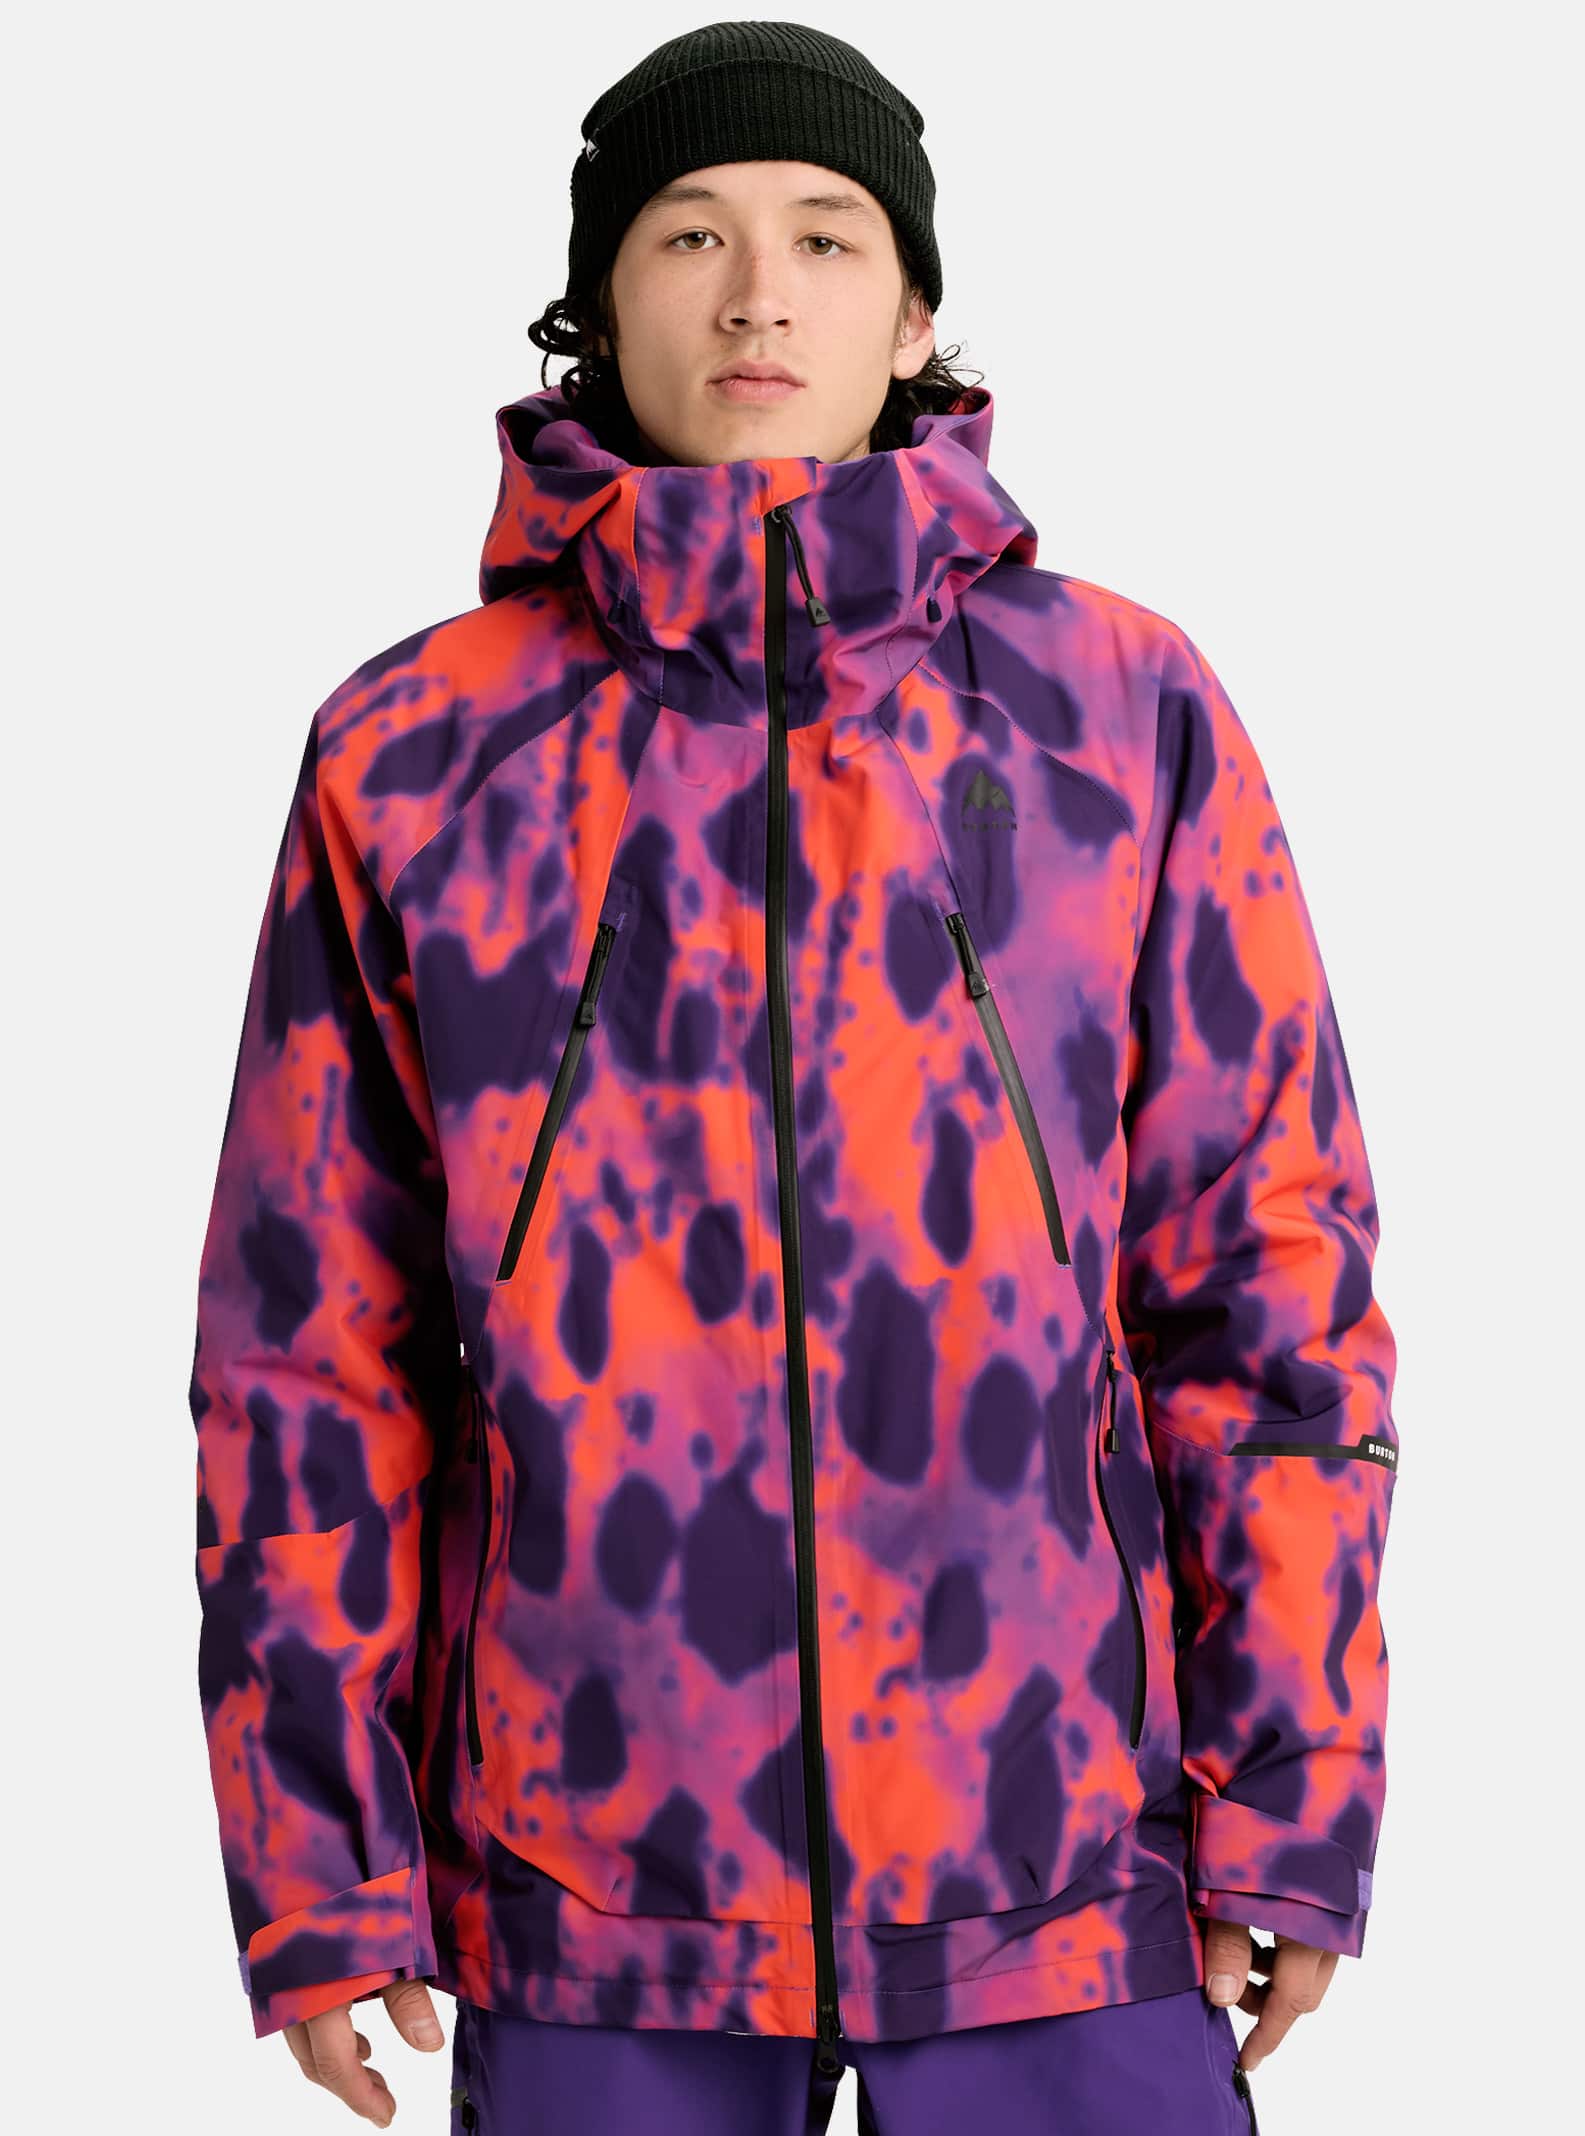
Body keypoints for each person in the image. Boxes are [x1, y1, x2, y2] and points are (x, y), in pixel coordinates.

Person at [189, 21, 1399, 2134]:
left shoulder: (1116, 710)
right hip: (593, 1880)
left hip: (1057, 1861)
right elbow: (308, 1352)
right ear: (600, 303)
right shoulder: (415, 750)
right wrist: (317, 1866)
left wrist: (1290, 1794)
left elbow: (1267, 1286)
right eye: (690, 235)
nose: (759, 293)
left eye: (827, 238)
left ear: (913, 312)